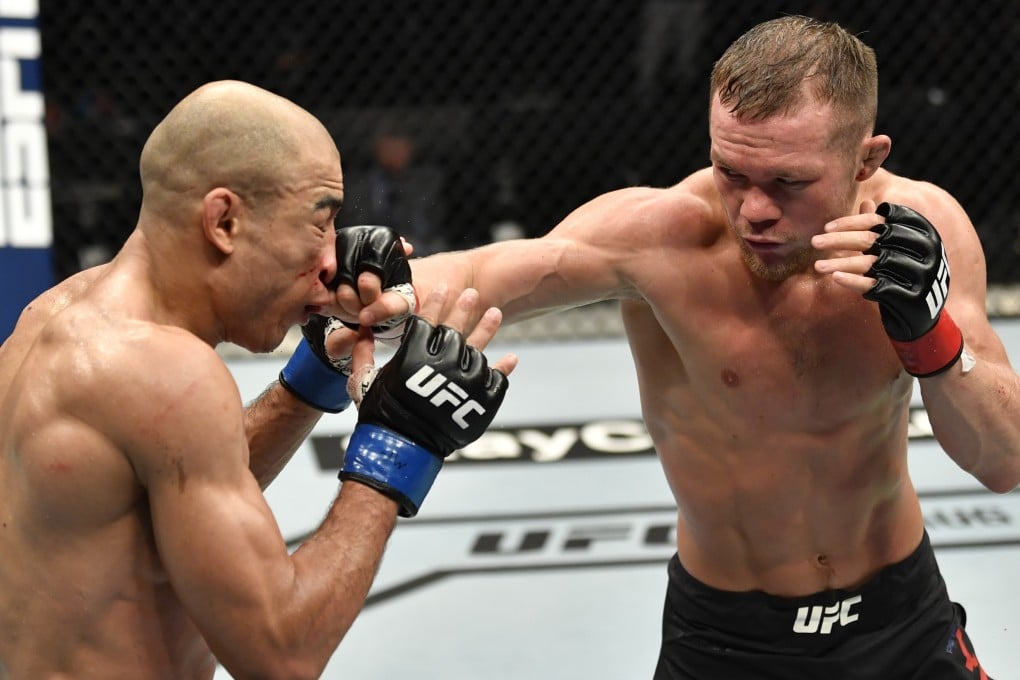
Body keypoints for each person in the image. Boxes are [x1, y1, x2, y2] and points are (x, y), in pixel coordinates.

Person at [355, 15, 1020, 679]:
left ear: (866, 158)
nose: (753, 209)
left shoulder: (919, 233)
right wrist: (379, 284)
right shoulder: (663, 236)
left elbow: (1003, 460)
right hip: (726, 640)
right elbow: (481, 272)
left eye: (788, 182)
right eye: (730, 171)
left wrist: (931, 334)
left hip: (901, 622)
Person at [0, 80, 517, 679]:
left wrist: (318, 374)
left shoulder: (58, 311)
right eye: (317, 223)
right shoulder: (165, 371)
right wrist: (403, 441)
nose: (332, 261)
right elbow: (283, 657)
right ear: (224, 221)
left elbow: (170, 484)